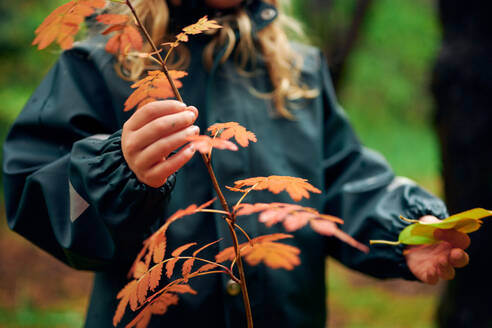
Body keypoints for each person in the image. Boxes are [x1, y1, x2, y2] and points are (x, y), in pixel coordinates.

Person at [3, 0, 470, 327]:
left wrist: (405, 229)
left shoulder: (297, 71)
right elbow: (35, 196)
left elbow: (346, 181)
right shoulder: (101, 65)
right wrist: (116, 173)